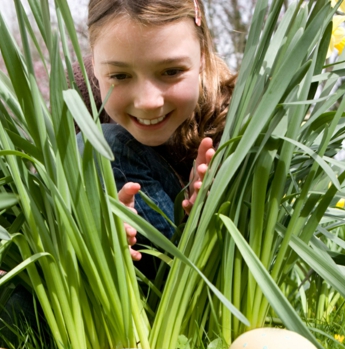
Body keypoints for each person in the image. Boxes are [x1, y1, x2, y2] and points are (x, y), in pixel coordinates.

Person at [77, 0, 236, 261]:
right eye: (120, 76)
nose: (149, 102)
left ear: (202, 57)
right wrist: (90, 230)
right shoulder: (79, 95)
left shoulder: (230, 113)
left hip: (197, 267)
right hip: (117, 272)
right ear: (94, 64)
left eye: (171, 71)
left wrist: (212, 213)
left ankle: (177, 275)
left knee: (104, 145)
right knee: (94, 145)